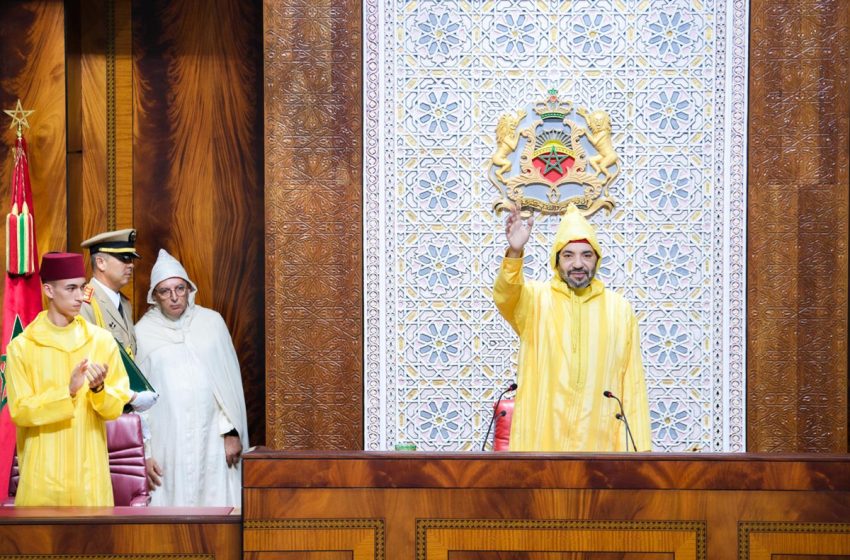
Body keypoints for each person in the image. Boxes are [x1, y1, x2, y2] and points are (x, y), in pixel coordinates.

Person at [493, 203, 652, 452]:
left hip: (601, 445)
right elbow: (505, 296)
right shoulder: (534, 300)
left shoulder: (619, 309)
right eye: (568, 255)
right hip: (541, 440)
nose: (578, 264)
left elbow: (632, 384)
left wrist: (639, 453)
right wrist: (515, 252)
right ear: (556, 261)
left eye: (586, 255)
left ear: (597, 260)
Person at [4, 252, 132, 506]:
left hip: (90, 482)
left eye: (82, 287)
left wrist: (98, 389)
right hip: (42, 483)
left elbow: (116, 406)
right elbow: (20, 411)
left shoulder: (101, 341)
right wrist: (68, 393)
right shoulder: (22, 347)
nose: (80, 296)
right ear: (49, 290)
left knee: (94, 546)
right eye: (70, 288)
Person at [135, 249, 249, 506]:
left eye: (180, 288)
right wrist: (146, 452)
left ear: (189, 289)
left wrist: (232, 432)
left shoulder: (212, 323)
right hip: (168, 438)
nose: (174, 297)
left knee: (215, 496)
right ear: (155, 296)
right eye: (165, 291)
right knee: (173, 497)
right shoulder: (142, 333)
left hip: (213, 436)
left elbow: (228, 386)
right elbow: (138, 399)